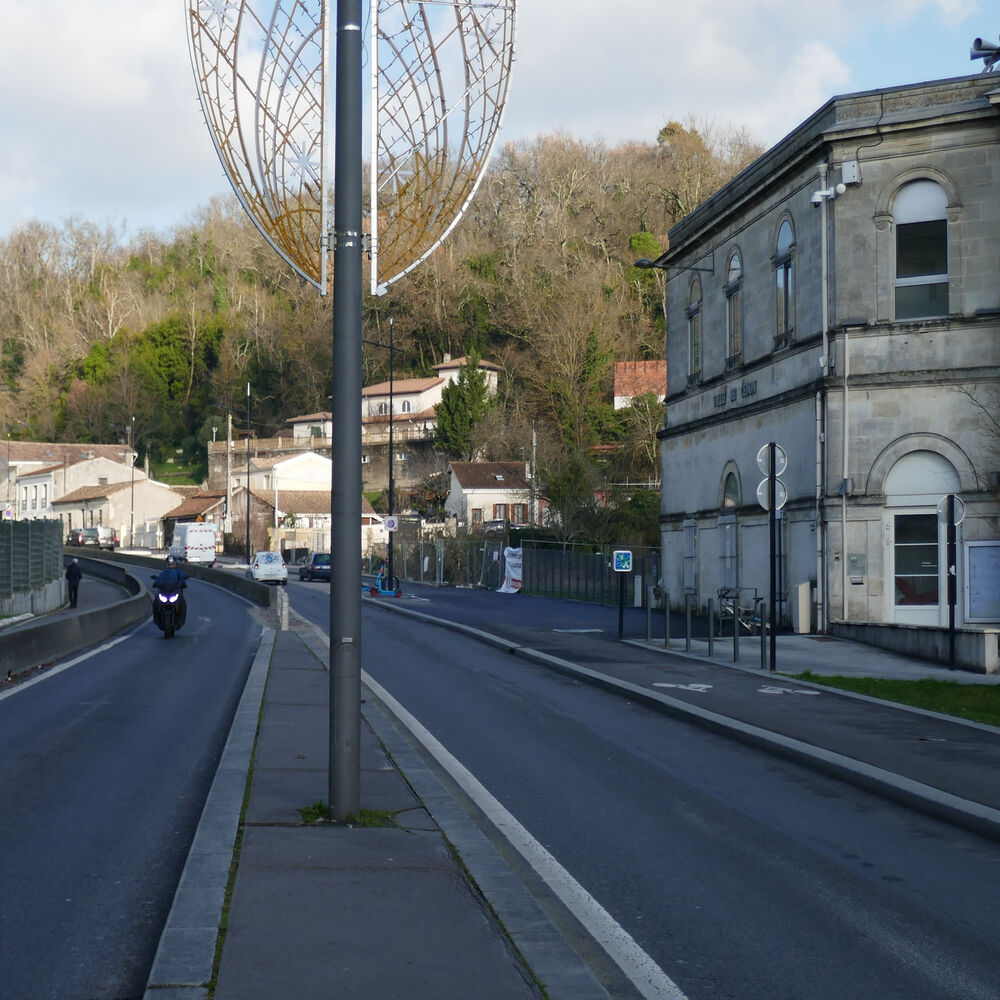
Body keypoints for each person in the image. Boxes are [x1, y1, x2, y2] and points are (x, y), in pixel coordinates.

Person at [153, 555, 188, 628]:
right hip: (165, 591)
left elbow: (182, 578)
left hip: (176, 591)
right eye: (169, 564)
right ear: (167, 564)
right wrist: (156, 583)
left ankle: (180, 621)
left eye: (172, 563)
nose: (171, 565)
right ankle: (157, 620)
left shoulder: (178, 572)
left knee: (183, 604)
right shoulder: (164, 572)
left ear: (175, 564)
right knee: (155, 603)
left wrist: (183, 583)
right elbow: (159, 578)